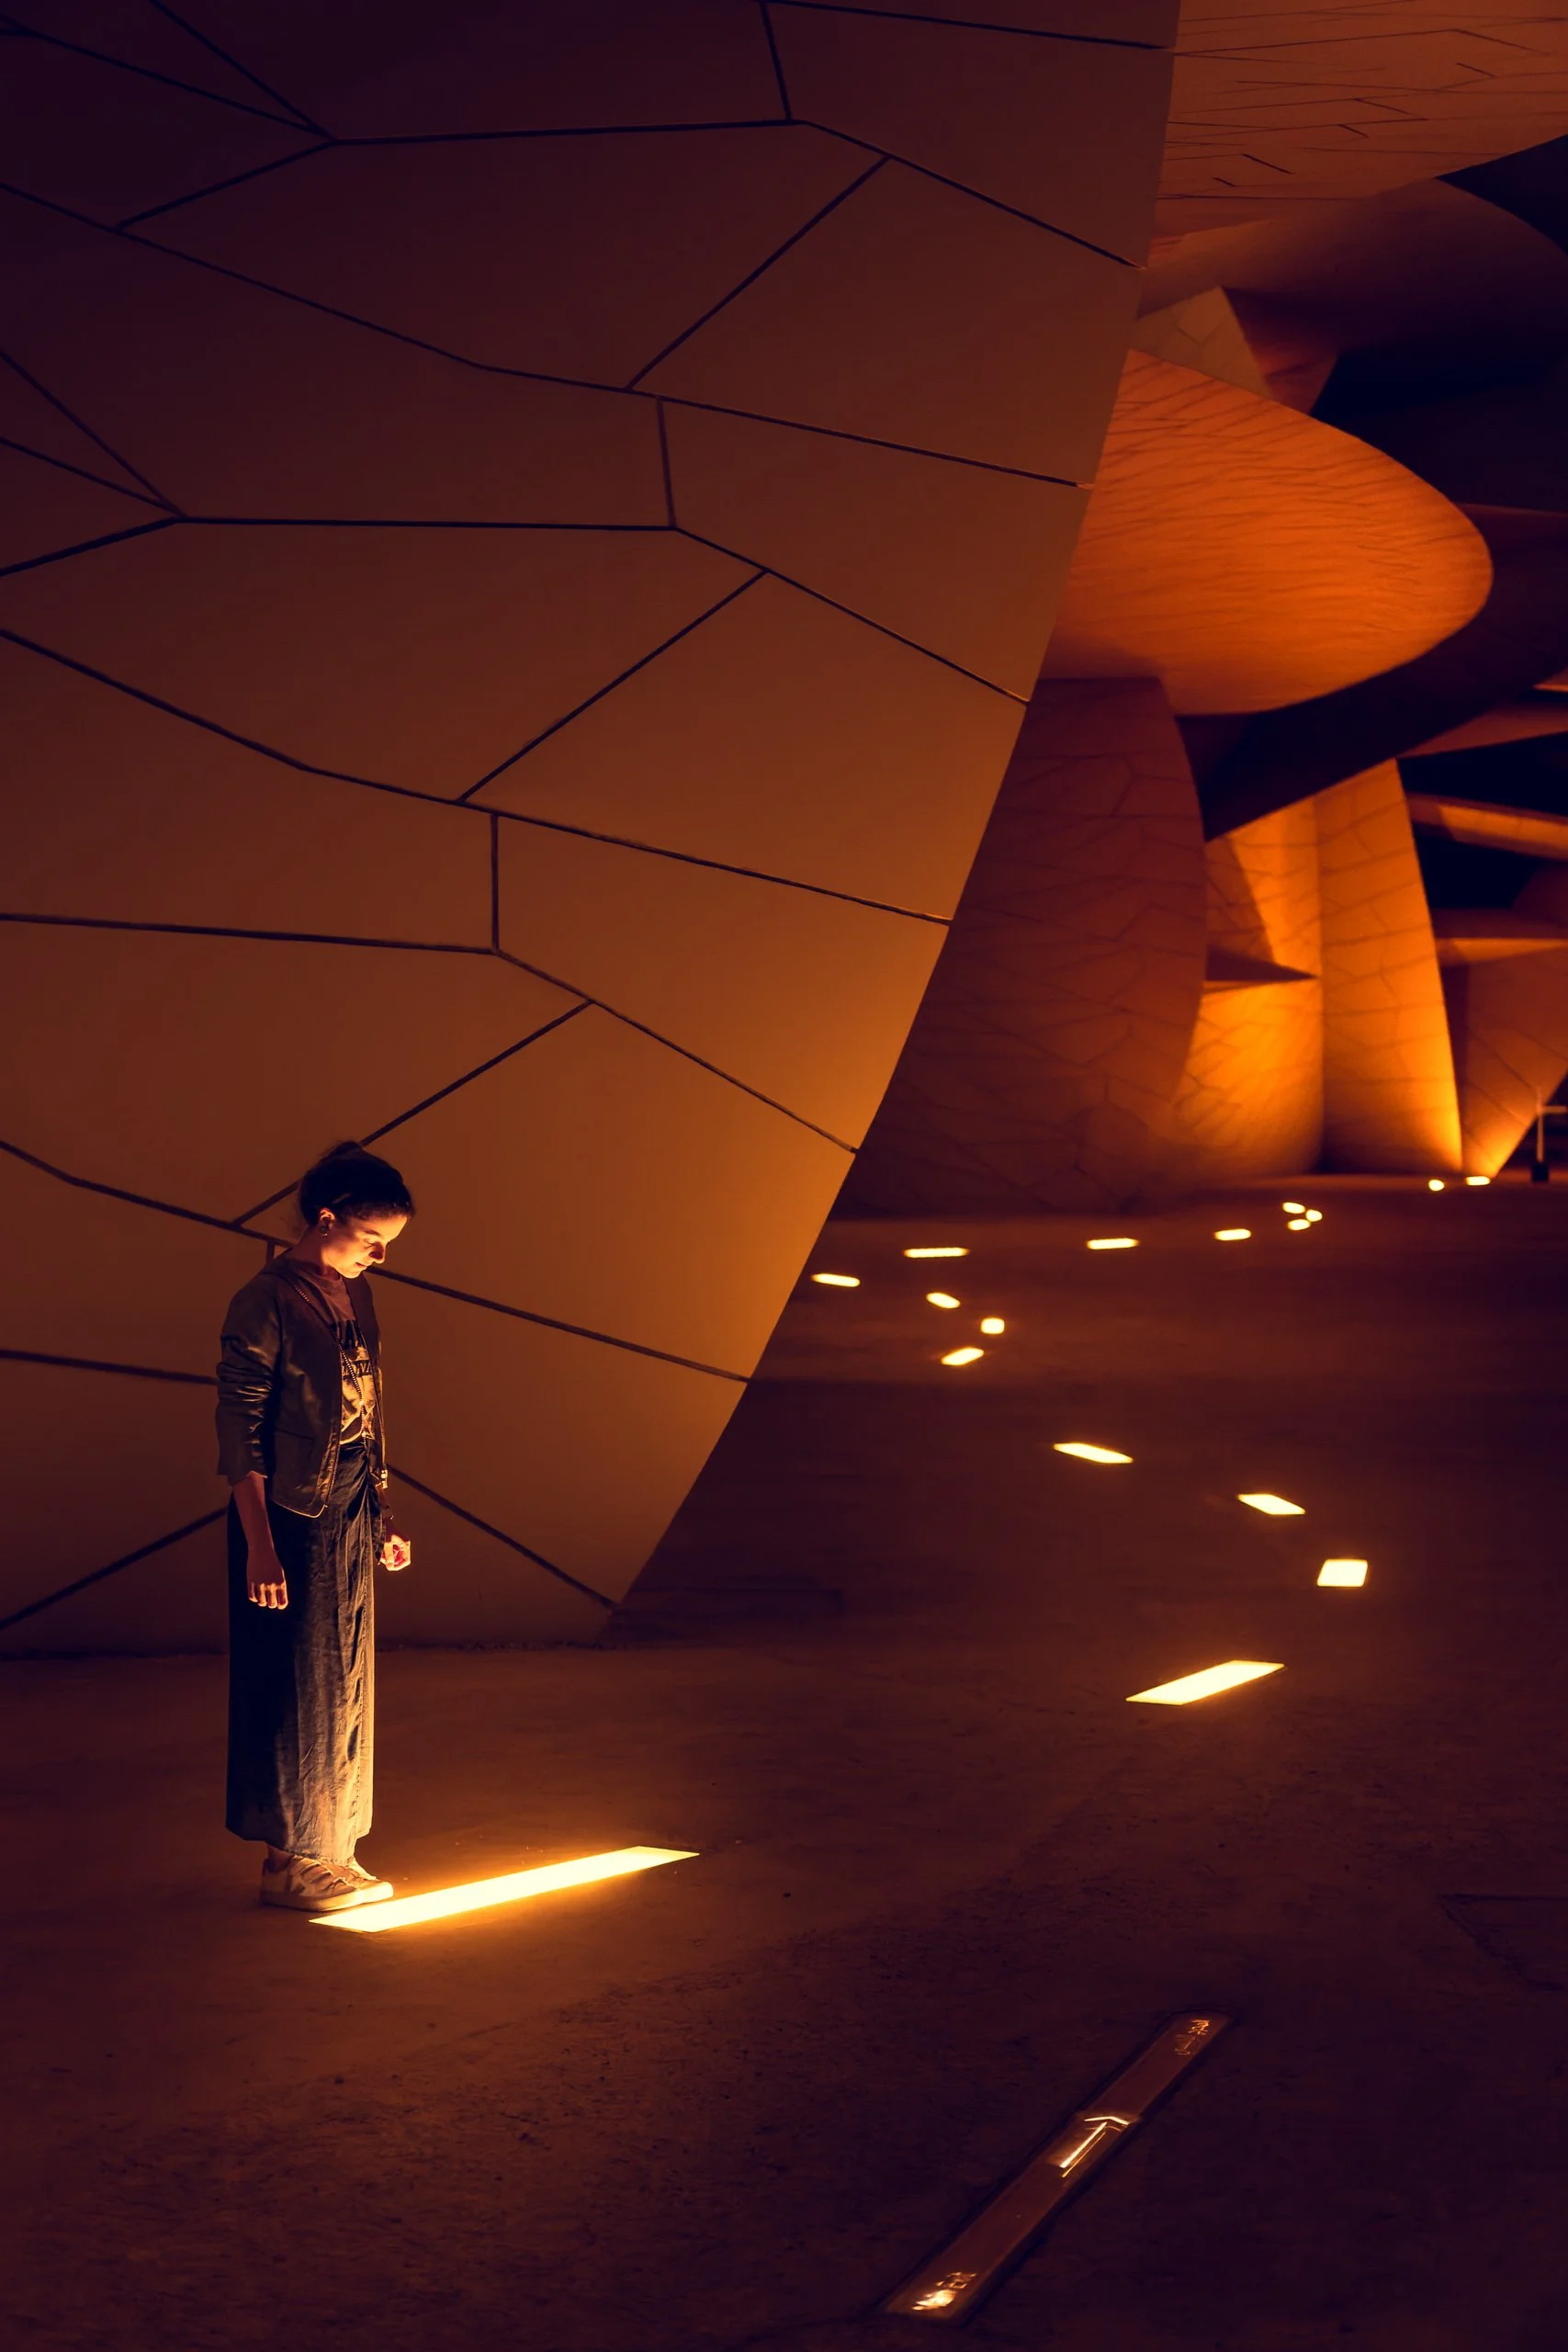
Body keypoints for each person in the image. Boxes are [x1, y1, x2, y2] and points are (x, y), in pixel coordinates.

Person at [215, 1141, 415, 1913]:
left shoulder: (350, 1294)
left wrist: (383, 1510)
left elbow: (365, 1412)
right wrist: (261, 1545)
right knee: (296, 1682)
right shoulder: (262, 1299)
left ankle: (328, 1851)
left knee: (346, 1680)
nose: (379, 1258)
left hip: (349, 1503)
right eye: (371, 1240)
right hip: (290, 1517)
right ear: (326, 1219)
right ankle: (293, 1861)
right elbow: (242, 1431)